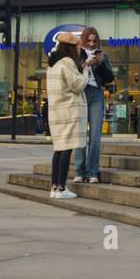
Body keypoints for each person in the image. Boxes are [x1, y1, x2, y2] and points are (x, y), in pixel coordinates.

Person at [46, 33, 87, 198]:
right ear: (70, 47)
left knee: (58, 150)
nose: (78, 49)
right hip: (69, 111)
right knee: (67, 149)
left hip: (56, 112)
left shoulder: (53, 64)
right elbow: (77, 85)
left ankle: (55, 187)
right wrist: (86, 72)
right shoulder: (68, 62)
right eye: (77, 46)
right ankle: (62, 188)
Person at [73, 26, 112, 185]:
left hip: (96, 94)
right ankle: (79, 171)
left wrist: (100, 62)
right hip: (81, 93)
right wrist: (85, 63)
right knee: (80, 135)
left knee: (95, 136)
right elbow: (73, 74)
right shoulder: (76, 54)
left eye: (94, 40)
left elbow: (110, 77)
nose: (91, 43)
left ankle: (93, 172)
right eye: (88, 40)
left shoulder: (102, 55)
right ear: (83, 40)